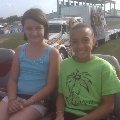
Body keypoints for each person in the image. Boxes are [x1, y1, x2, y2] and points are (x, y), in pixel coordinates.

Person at [0, 8, 60, 120]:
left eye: (38, 28)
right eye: (29, 28)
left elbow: (50, 86)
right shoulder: (19, 50)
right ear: (24, 30)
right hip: (15, 97)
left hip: (37, 101)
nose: (34, 32)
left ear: (45, 29)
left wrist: (27, 103)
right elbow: (13, 79)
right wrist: (12, 100)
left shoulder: (52, 53)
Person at [56, 23, 120, 120]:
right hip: (68, 113)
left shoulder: (105, 67)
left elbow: (108, 106)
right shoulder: (65, 65)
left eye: (85, 40)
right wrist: (59, 114)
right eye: (75, 41)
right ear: (71, 43)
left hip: (95, 114)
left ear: (93, 41)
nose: (80, 46)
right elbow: (61, 95)